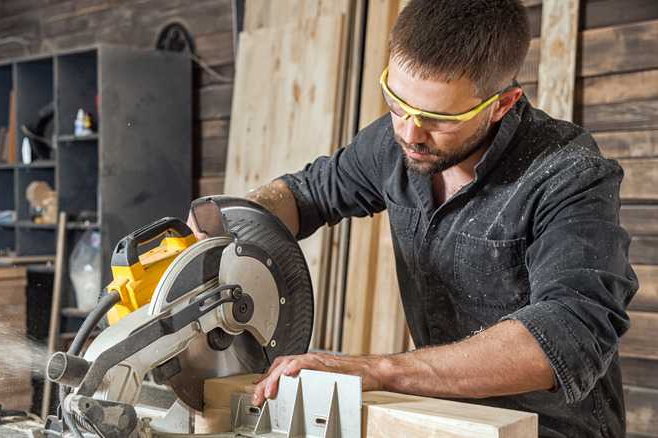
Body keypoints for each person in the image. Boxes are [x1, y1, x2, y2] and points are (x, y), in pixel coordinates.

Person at [190, 0, 639, 436]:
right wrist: (222, 231)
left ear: (502, 104)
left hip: (546, 427)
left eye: (438, 118)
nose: (409, 132)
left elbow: (567, 337)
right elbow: (307, 193)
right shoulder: (396, 142)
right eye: (397, 102)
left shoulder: (568, 173)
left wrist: (380, 369)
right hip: (439, 416)